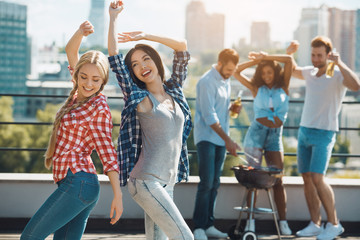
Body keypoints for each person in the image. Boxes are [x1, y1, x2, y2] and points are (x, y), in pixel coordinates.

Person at [20, 20, 123, 240]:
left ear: (103, 81)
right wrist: (80, 32)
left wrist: (118, 195)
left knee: (29, 237)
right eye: (83, 77)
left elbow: (107, 152)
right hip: (78, 184)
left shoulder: (99, 108)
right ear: (76, 75)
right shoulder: (78, 95)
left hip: (79, 183)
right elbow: (70, 49)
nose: (88, 83)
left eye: (95, 80)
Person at [107, 1, 194, 239]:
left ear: (155, 60)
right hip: (146, 182)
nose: (142, 66)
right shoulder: (141, 99)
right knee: (185, 237)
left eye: (146, 59)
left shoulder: (174, 90)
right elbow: (114, 58)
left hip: (168, 181)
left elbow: (182, 48)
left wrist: (147, 35)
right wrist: (113, 18)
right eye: (135, 65)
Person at [287, 36, 360, 239]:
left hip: (325, 133)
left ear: (328, 55)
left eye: (319, 55)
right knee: (307, 179)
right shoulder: (310, 72)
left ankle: (334, 224)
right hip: (304, 131)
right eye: (313, 54)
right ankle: (315, 223)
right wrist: (290, 53)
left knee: (318, 178)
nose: (315, 59)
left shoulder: (337, 74)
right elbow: (292, 70)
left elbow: (356, 85)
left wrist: (340, 63)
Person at [233, 50, 293, 235]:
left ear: (276, 72)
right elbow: (236, 71)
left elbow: (289, 60)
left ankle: (283, 223)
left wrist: (266, 57)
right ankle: (250, 223)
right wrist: (256, 62)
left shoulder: (284, 86)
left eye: (270, 72)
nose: (267, 76)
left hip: (275, 137)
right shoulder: (255, 88)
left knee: (278, 180)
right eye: (264, 72)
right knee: (253, 181)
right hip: (256, 136)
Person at [192, 48, 241, 240]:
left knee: (215, 183)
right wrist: (229, 140)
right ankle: (198, 228)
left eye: (233, 70)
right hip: (206, 138)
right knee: (206, 182)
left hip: (221, 139)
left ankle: (209, 225)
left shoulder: (225, 80)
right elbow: (209, 116)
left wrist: (231, 108)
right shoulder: (206, 82)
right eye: (228, 69)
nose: (230, 73)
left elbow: (219, 110)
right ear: (219, 63)